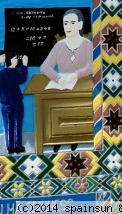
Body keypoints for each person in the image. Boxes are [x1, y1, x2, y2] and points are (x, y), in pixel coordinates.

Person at [40, 8, 92, 152]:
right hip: (62, 86)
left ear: (80, 25)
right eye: (66, 23)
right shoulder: (59, 45)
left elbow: (92, 65)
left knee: (78, 110)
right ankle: (56, 139)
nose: (68, 27)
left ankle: (76, 139)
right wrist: (57, 77)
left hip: (81, 87)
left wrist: (77, 74)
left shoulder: (87, 44)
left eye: (72, 23)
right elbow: (45, 67)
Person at [0, 52, 28, 155]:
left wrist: (4, 93)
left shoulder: (1, 73)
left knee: (8, 125)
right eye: (15, 58)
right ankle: (18, 146)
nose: (17, 60)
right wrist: (25, 65)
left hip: (5, 103)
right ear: (11, 60)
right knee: (18, 124)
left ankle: (10, 147)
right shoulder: (16, 71)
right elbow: (23, 78)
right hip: (17, 102)